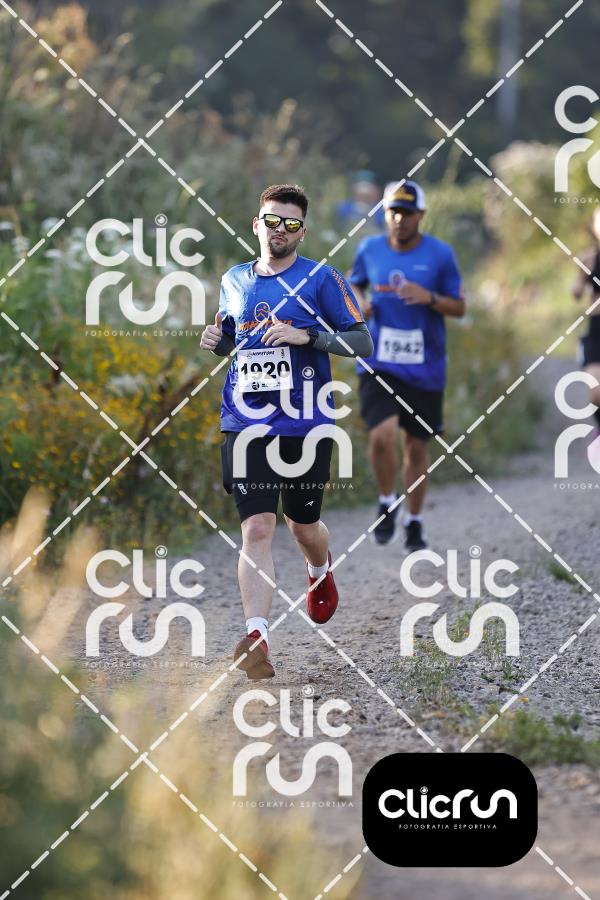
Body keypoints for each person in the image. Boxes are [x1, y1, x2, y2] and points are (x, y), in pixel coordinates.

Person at [200, 184, 372, 679]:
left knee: (302, 525)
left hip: (306, 421)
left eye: (291, 224)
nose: (280, 230)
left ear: (302, 232)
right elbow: (234, 339)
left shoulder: (321, 278)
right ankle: (257, 637)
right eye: (272, 220)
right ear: (256, 224)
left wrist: (307, 336)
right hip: (244, 419)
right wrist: (217, 341)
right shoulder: (233, 279)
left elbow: (361, 341)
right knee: (257, 527)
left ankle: (319, 569)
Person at [349, 180, 465, 551]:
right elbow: (354, 285)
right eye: (393, 212)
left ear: (421, 215)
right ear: (384, 213)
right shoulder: (369, 249)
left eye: (407, 213)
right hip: (378, 361)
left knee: (415, 446)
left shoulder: (440, 254)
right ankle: (387, 502)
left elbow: (459, 307)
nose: (400, 219)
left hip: (425, 366)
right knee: (381, 436)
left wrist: (428, 297)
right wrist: (359, 303)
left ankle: (414, 521)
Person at [572, 206, 600, 440]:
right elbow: (576, 292)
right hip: (596, 329)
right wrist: (581, 277)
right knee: (596, 391)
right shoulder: (589, 258)